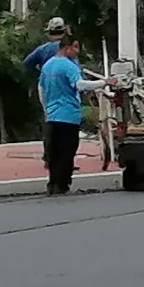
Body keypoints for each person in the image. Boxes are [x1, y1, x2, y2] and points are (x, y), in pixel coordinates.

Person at [36, 31, 100, 196]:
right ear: (66, 48)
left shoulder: (48, 65)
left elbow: (41, 89)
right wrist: (103, 83)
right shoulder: (70, 66)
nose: (77, 51)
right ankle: (62, 184)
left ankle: (52, 183)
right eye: (75, 47)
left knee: (53, 152)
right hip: (69, 115)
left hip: (52, 116)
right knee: (67, 152)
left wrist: (46, 110)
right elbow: (80, 85)